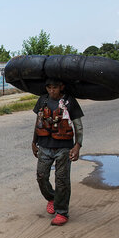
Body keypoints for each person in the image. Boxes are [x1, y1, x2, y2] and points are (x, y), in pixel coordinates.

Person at [31, 78, 84, 226]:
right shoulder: (42, 100)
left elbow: (78, 125)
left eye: (54, 87)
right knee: (41, 176)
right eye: (49, 88)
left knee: (62, 180)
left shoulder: (69, 102)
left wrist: (77, 145)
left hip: (63, 148)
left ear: (61, 87)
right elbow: (38, 122)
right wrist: (34, 142)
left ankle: (62, 212)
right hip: (44, 147)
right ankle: (52, 198)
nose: (52, 90)